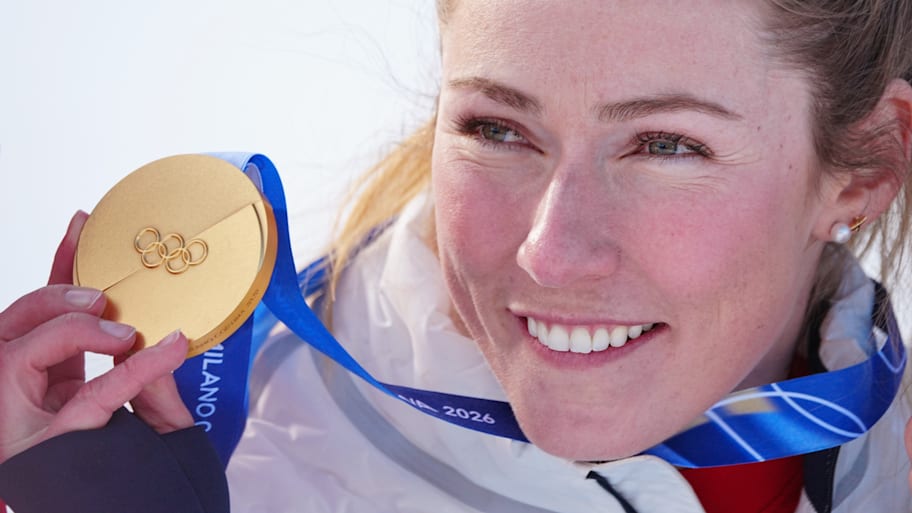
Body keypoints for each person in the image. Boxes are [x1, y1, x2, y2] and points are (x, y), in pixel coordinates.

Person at [2, 1, 912, 512]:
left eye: (666, 145)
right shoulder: (244, 474)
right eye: (498, 128)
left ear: (867, 166)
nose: (551, 255)